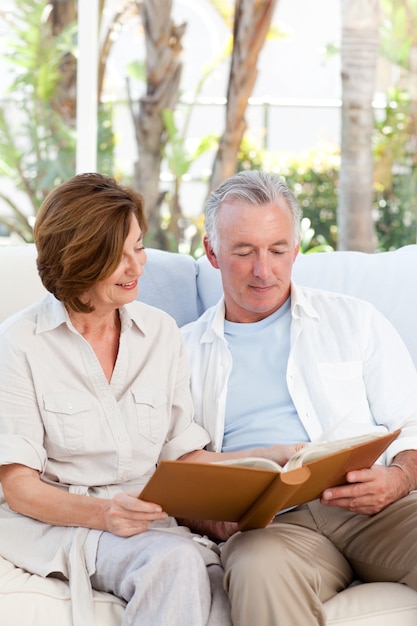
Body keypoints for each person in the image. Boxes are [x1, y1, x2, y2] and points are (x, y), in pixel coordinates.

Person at [0, 173, 298, 626]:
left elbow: (183, 456)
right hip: (63, 524)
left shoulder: (158, 332)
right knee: (174, 562)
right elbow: (19, 487)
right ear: (79, 259)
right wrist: (104, 514)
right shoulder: (18, 343)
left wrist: (270, 458)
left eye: (138, 248)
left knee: (221, 590)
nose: (137, 268)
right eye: (117, 257)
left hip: (146, 524)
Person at [181, 169, 417, 626]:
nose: (263, 270)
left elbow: (414, 425)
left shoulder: (355, 320)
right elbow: (176, 471)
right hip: (273, 531)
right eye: (244, 251)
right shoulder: (181, 353)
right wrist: (213, 519)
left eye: (277, 250)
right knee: (255, 567)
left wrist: (399, 480)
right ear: (212, 252)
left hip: (378, 509)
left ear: (297, 247)